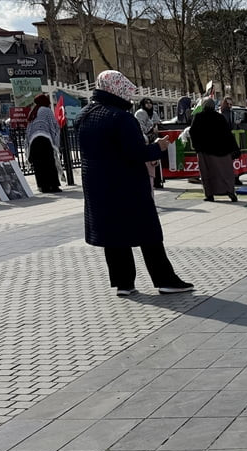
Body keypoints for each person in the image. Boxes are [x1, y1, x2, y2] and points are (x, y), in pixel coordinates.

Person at [77, 70, 193, 297]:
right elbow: (135, 153)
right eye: (126, 92)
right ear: (117, 90)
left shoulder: (84, 115)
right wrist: (158, 147)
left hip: (97, 185)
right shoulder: (121, 118)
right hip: (126, 184)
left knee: (113, 235)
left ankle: (124, 283)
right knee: (149, 233)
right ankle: (165, 280)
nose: (129, 97)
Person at [188, 97, 240, 203]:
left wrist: (197, 147)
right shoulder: (220, 117)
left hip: (205, 151)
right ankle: (230, 191)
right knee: (225, 173)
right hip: (222, 151)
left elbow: (193, 132)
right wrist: (234, 149)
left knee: (207, 173)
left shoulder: (198, 117)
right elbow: (228, 134)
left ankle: (209, 194)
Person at [25, 93, 61, 193]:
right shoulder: (46, 110)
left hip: (33, 142)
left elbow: (29, 128)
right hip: (45, 140)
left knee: (39, 165)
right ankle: (54, 186)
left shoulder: (33, 111)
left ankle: (43, 187)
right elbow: (54, 125)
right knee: (49, 163)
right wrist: (56, 141)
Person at [134, 98, 164, 188]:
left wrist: (157, 125)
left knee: (156, 160)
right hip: (145, 139)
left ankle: (158, 181)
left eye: (150, 103)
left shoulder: (154, 113)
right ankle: (150, 180)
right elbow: (140, 127)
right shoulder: (140, 113)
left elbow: (158, 123)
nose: (149, 104)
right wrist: (151, 128)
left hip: (154, 138)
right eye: (146, 103)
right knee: (149, 162)